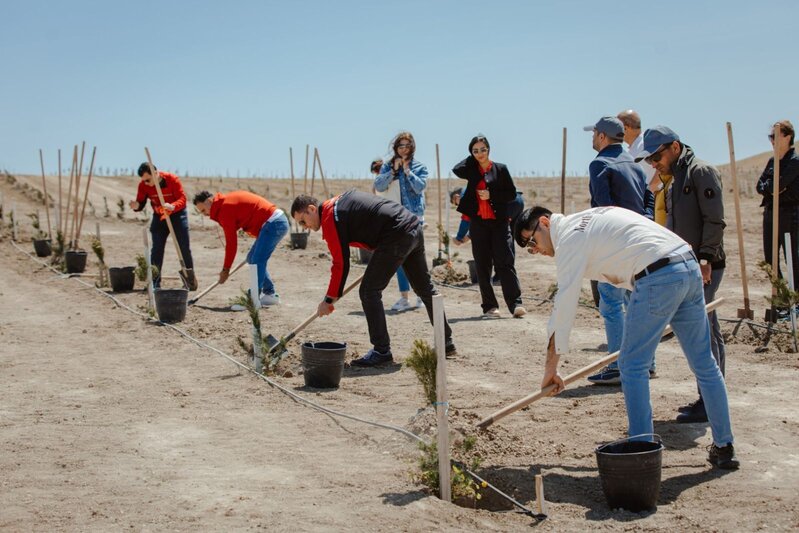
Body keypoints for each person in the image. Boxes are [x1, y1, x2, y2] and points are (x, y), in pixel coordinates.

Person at [514, 205, 739, 470]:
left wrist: (551, 369)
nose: (535, 249)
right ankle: (725, 447)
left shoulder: (570, 237)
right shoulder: (590, 219)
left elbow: (564, 306)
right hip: (686, 265)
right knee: (704, 363)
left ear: (545, 222)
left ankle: (642, 450)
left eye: (532, 240)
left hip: (658, 274)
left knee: (632, 366)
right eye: (529, 248)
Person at [290, 191, 456, 367]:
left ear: (311, 209)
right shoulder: (338, 203)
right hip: (411, 225)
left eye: (303, 221)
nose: (304, 227)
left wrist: (329, 299)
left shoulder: (330, 216)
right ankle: (446, 342)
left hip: (395, 234)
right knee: (424, 288)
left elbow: (340, 264)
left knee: (369, 291)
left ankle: (381, 351)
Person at [635, 126, 727, 423]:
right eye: (649, 159)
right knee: (704, 331)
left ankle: (710, 402)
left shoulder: (701, 172)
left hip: (704, 264)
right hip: (686, 264)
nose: (653, 162)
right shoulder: (671, 177)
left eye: (656, 156)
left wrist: (706, 257)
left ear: (674, 147)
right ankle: (708, 398)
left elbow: (715, 219)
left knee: (707, 332)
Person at [581, 117, 653, 385]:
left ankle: (617, 365)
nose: (592, 138)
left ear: (602, 137)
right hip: (638, 239)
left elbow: (603, 207)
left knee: (610, 302)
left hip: (614, 243)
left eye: (594, 133)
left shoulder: (599, 163)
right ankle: (645, 363)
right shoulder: (633, 164)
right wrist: (643, 221)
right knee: (633, 301)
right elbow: (648, 196)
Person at [452, 135, 525, 319]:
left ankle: (515, 304)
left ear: (489, 149)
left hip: (499, 222)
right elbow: (456, 169)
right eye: (475, 151)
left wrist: (490, 195)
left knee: (505, 262)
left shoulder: (501, 169)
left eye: (483, 149)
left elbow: (510, 194)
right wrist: (472, 157)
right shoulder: (471, 170)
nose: (480, 154)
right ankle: (490, 307)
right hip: (478, 224)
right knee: (482, 265)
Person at [193, 190, 288, 310]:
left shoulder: (225, 209)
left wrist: (226, 270)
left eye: (203, 210)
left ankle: (252, 300)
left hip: (273, 223)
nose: (205, 214)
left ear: (209, 201)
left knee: (257, 261)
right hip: (275, 222)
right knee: (251, 258)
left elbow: (231, 244)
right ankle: (270, 295)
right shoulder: (225, 203)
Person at [374, 132, 426, 313]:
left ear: (412, 147)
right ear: (395, 148)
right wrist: (393, 172)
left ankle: (422, 295)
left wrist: (407, 171)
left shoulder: (419, 167)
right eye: (400, 146)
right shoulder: (388, 166)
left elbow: (420, 187)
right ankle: (404, 297)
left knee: (417, 259)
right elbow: (379, 186)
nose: (404, 149)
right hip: (395, 219)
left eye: (407, 146)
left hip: (413, 218)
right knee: (399, 260)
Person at [130, 162, 196, 290]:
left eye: (148, 179)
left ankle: (189, 281)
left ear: (155, 173)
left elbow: (182, 199)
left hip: (177, 215)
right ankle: (154, 282)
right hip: (159, 217)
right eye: (144, 181)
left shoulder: (172, 179)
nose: (146, 183)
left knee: (184, 247)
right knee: (157, 249)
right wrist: (136, 206)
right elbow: (140, 202)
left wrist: (173, 206)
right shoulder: (143, 185)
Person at [756, 120, 799, 301]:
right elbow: (761, 186)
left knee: (792, 259)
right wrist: (773, 187)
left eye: (775, 136)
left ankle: (795, 300)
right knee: (770, 260)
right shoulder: (772, 161)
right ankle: (781, 300)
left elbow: (777, 185)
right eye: (770, 136)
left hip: (790, 214)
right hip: (770, 212)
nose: (772, 140)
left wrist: (773, 186)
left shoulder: (795, 161)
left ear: (787, 136)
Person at [617, 109, 663, 225]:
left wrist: (648, 193)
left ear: (626, 128)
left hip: (655, 203)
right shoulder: (633, 148)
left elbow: (661, 168)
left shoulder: (644, 145)